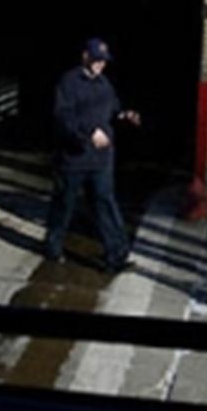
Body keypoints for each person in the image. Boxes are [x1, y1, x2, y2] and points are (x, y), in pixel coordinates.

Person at [44, 38, 141, 272]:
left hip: (101, 159)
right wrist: (88, 134)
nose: (100, 65)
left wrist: (124, 115)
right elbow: (62, 118)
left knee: (105, 203)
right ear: (85, 56)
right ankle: (53, 247)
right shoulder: (69, 83)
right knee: (64, 204)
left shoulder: (104, 83)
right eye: (97, 60)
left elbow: (113, 109)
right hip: (73, 159)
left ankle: (117, 256)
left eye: (104, 61)